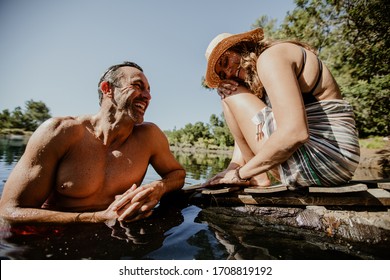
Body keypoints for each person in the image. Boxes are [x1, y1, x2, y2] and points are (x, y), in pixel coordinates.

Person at [0, 61, 186, 223]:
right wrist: (97, 218)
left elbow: (177, 174)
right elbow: (8, 212)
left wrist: (159, 187)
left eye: (148, 90)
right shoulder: (59, 132)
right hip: (53, 237)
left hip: (112, 238)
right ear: (107, 89)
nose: (147, 96)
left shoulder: (150, 136)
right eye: (138, 86)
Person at [202, 28, 360, 189]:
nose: (228, 73)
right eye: (222, 74)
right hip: (337, 163)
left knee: (229, 92)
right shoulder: (268, 67)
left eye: (225, 62)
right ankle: (251, 174)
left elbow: (295, 133)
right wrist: (232, 169)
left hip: (326, 158)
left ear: (241, 46)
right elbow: (245, 126)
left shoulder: (271, 58)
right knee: (227, 89)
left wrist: (240, 174)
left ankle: (255, 176)